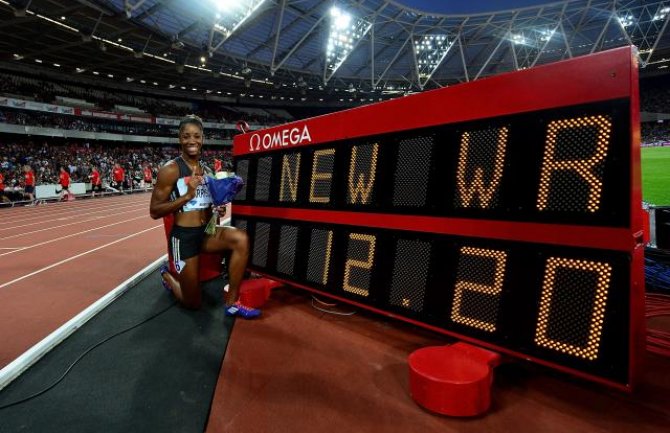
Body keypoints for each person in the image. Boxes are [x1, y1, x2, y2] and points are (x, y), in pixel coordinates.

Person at [149, 114, 258, 318]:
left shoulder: (206, 170)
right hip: (183, 238)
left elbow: (205, 205)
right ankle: (167, 275)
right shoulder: (170, 170)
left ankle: (232, 302)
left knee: (241, 239)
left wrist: (217, 208)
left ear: (202, 138)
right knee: (193, 303)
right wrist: (188, 195)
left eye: (196, 136)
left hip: (205, 234)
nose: (192, 141)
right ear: (180, 139)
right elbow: (154, 211)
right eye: (186, 136)